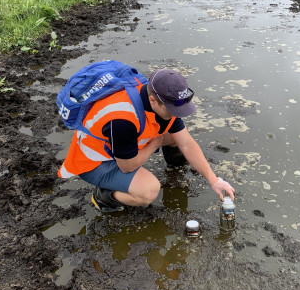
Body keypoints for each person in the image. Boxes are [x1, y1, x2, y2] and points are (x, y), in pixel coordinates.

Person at [58, 68, 235, 213]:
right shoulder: (121, 120)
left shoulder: (161, 98)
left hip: (122, 145)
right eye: (172, 110)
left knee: (175, 136)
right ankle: (104, 197)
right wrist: (153, 145)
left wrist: (214, 180)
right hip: (95, 161)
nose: (175, 115)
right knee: (148, 191)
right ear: (153, 100)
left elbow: (186, 143)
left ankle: (174, 168)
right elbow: (127, 166)